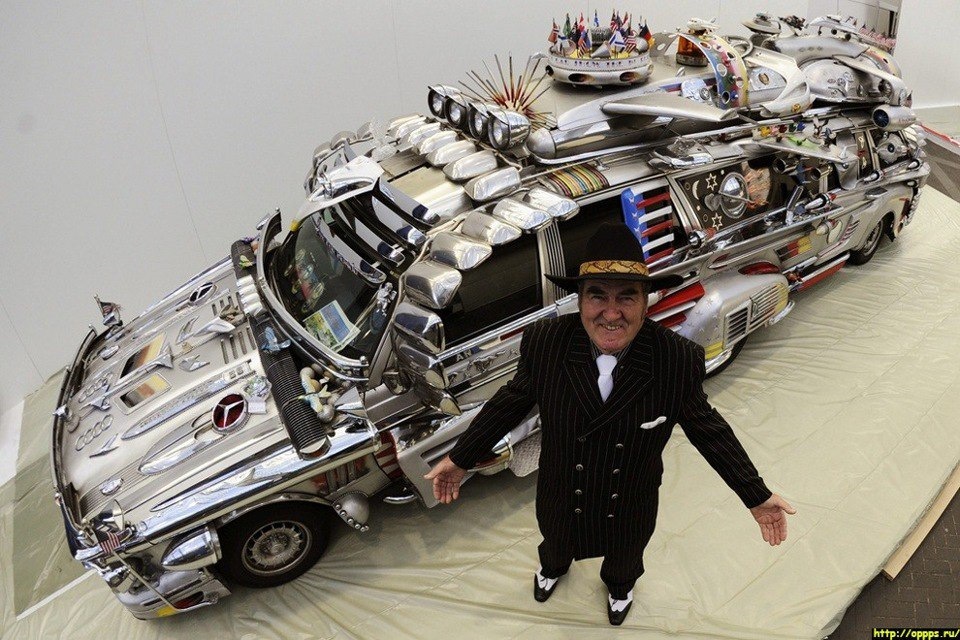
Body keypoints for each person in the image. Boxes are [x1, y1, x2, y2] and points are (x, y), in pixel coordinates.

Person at [425, 221, 796, 626]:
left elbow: (709, 431)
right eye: (597, 295)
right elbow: (509, 403)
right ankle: (552, 568)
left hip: (630, 494)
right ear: (579, 299)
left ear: (646, 301)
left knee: (626, 553)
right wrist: (461, 459)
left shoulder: (674, 358)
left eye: (627, 296)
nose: (611, 312)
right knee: (555, 540)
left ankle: (620, 586)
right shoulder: (546, 341)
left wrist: (755, 494)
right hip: (562, 485)